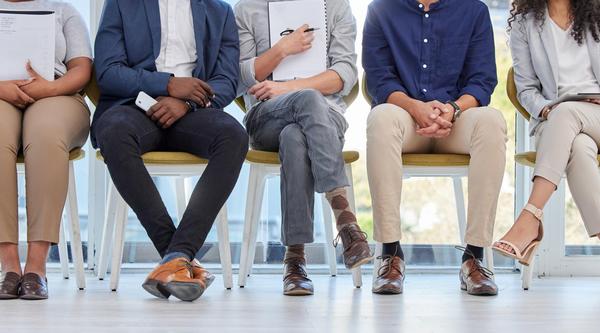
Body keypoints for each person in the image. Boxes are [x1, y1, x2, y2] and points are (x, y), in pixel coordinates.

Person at [93, 0, 248, 302]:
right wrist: (168, 84)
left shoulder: (220, 11)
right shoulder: (122, 4)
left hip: (192, 111)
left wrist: (187, 101)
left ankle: (176, 258)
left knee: (234, 136)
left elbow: (227, 80)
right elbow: (109, 71)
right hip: (134, 105)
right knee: (113, 131)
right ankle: (177, 254)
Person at [363, 0, 507, 296]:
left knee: (491, 122)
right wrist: (415, 107)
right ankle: (390, 254)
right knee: (380, 118)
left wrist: (453, 109)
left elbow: (482, 80)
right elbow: (379, 79)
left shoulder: (473, 10)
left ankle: (475, 257)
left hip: (456, 119)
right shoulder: (381, 9)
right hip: (405, 117)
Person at [235, 0, 371, 296]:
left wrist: (289, 86)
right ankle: (344, 218)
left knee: (295, 137)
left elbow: (345, 74)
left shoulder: (335, 6)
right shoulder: (247, 9)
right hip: (265, 115)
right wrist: (282, 49)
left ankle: (294, 261)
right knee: (306, 101)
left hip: (325, 115)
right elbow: (240, 77)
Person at [494, 0, 600, 264]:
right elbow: (526, 89)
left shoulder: (597, 14)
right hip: (555, 120)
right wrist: (545, 110)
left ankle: (530, 218)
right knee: (578, 146)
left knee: (567, 114)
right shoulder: (524, 22)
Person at [0, 0, 92, 300]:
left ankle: (36, 267)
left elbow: (82, 68)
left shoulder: (63, 10)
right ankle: (10, 266)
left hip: (57, 93)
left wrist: (49, 88)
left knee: (46, 135)